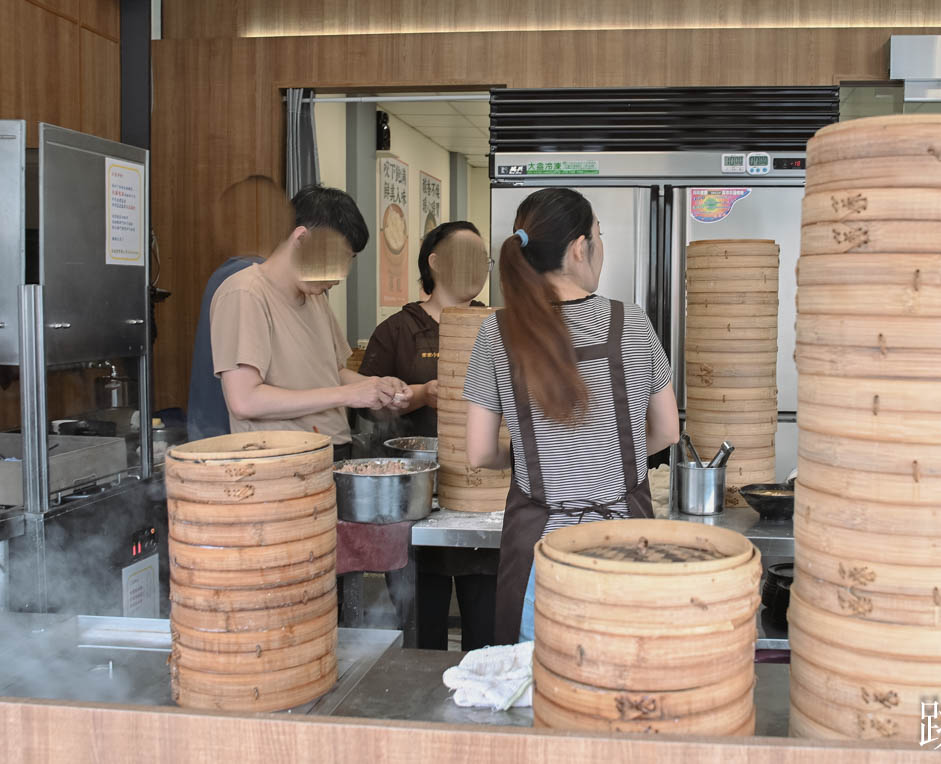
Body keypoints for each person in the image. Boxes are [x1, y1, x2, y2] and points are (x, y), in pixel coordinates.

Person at [462, 188, 680, 645]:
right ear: (580, 247)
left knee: (538, 693)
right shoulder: (632, 323)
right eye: (598, 238)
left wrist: (522, 456)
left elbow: (479, 452)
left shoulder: (496, 333)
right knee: (620, 685)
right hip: (624, 549)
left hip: (541, 556)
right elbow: (667, 431)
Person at [359, 221, 498, 651]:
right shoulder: (397, 331)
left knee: (488, 630)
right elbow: (364, 407)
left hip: (483, 499)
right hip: (419, 501)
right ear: (434, 263)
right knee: (422, 633)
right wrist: (420, 395)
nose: (478, 269)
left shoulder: (496, 326)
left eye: (483, 260)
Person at [210, 184, 408, 460]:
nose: (341, 274)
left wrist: (375, 387)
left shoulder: (315, 297)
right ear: (301, 238)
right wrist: (349, 395)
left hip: (331, 453)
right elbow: (245, 400)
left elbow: (333, 372)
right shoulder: (245, 293)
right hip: (280, 462)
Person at [187, 175, 293, 442]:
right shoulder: (245, 281)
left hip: (217, 434)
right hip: (232, 441)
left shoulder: (228, 275)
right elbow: (246, 398)